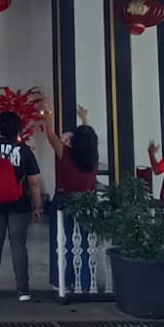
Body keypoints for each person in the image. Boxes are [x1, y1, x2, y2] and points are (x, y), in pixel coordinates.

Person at [0, 110, 43, 301]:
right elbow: (33, 182)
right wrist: (38, 206)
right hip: (19, 204)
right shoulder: (24, 150)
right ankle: (23, 290)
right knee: (18, 245)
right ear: (18, 129)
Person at [41, 103, 99, 291]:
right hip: (86, 203)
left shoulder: (66, 155)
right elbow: (88, 139)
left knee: (61, 242)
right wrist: (84, 118)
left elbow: (50, 133)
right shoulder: (93, 160)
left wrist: (48, 111)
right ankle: (83, 280)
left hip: (64, 201)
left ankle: (61, 281)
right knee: (83, 243)